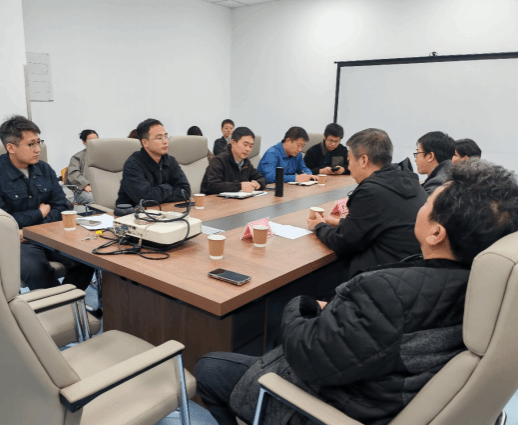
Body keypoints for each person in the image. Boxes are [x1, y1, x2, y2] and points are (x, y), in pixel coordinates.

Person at [194, 160, 518, 426]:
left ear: (436, 232)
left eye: (427, 202)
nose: (419, 206)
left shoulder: (389, 294)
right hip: (383, 391)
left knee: (209, 366)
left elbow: (308, 353)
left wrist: (302, 305)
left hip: (340, 403)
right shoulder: (486, 292)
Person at [0, 115, 94, 291]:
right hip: (18, 241)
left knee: (88, 259)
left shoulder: (44, 169)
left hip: (47, 234)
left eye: (39, 142)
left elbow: (62, 206)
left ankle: (67, 300)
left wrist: (37, 229)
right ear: (10, 147)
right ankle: (59, 304)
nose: (38, 149)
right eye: (31, 144)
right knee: (37, 271)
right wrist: (40, 213)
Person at [308, 128, 428, 282]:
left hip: (380, 279)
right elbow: (378, 224)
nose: (349, 167)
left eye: (350, 160)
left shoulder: (371, 191)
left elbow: (343, 242)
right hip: (409, 274)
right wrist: (339, 222)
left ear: (363, 160)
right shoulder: (410, 183)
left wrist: (319, 226)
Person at [116, 118, 191, 206]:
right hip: (134, 212)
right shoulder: (132, 165)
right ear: (145, 143)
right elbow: (144, 199)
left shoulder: (170, 161)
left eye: (166, 137)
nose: (165, 142)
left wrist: (158, 197)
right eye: (159, 138)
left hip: (165, 210)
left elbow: (185, 191)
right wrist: (168, 188)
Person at [200, 127, 267, 195]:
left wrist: (258, 183)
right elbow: (213, 185)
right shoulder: (219, 161)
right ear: (233, 143)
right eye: (245, 145)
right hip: (213, 200)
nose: (248, 149)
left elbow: (261, 178)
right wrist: (240, 186)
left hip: (235, 200)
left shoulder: (246, 163)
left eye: (251, 146)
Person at [65, 130, 99, 205]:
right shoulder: (77, 157)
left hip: (101, 189)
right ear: (84, 142)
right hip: (82, 191)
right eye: (91, 141)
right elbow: (73, 174)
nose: (94, 143)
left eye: (96, 140)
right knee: (95, 199)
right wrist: (85, 185)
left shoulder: (103, 156)